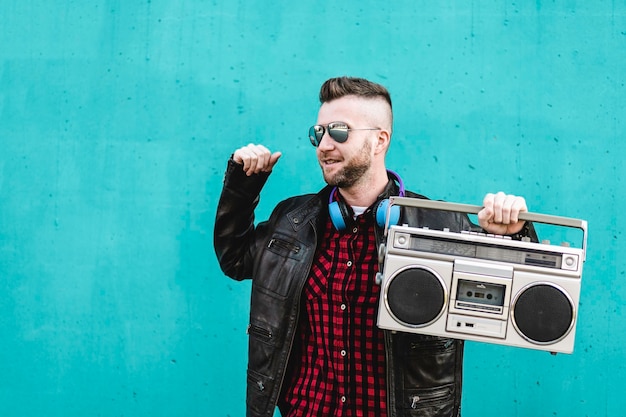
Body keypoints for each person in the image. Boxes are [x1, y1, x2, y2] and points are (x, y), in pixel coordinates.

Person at [213, 76, 536, 417]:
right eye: (318, 133)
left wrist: (514, 233)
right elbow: (234, 259)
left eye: (339, 131)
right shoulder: (292, 221)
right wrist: (242, 187)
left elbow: (516, 297)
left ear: (380, 140)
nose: (324, 145)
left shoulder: (437, 225)